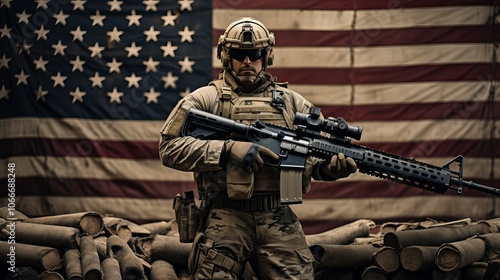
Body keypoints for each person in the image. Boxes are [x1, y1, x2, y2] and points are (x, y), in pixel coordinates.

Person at [159, 17, 357, 280]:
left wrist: (327, 168)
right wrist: (228, 149)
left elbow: (309, 154)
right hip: (225, 215)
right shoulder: (205, 100)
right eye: (240, 55)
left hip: (277, 215)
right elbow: (169, 148)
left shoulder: (291, 104)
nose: (247, 62)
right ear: (226, 56)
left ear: (267, 56)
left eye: (255, 54)